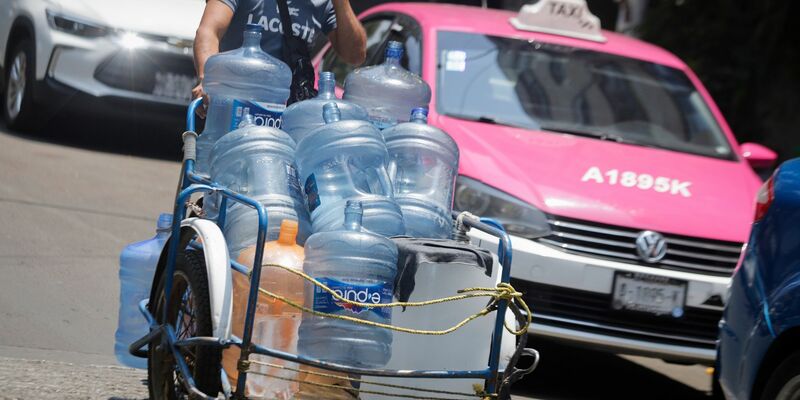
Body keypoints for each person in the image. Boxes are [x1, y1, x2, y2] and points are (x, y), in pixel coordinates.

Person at [192, 0, 367, 116]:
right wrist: (207, 80)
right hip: (234, 105)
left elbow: (355, 55)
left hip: (286, 117)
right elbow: (209, 31)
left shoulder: (323, 3)